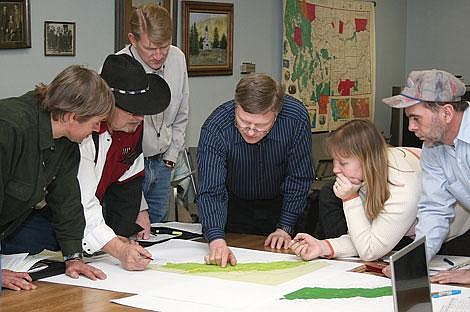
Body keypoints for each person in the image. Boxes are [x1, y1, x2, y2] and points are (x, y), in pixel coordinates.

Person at [1, 65, 114, 291]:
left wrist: (73, 256)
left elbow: (67, 200)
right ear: (73, 117)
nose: (97, 129)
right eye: (96, 122)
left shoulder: (65, 140)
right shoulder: (10, 128)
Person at [197, 73, 314, 267]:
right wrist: (216, 238)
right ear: (236, 106)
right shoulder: (216, 126)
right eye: (243, 122)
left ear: (276, 114)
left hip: (281, 205)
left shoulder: (295, 117)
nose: (250, 131)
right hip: (234, 209)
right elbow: (211, 189)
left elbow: (299, 177)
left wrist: (285, 227)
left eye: (260, 126)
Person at [79, 54, 171, 270]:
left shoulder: (133, 129)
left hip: (94, 222)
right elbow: (79, 201)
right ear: (107, 105)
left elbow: (128, 185)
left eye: (143, 111)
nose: (140, 119)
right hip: (55, 219)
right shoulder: (83, 133)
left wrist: (120, 239)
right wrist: (116, 248)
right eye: (132, 110)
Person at [382, 69, 470, 284]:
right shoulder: (432, 149)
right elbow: (434, 209)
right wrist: (413, 260)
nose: (411, 127)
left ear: (446, 113)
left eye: (416, 118)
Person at [289, 119, 422, 261]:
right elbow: (363, 239)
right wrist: (322, 246)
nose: (335, 169)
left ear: (367, 159)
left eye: (343, 163)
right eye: (334, 160)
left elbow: (370, 251)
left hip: (443, 243)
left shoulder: (402, 187)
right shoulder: (373, 169)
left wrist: (350, 198)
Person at [116, 4, 189, 223]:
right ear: (133, 39)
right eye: (150, 48)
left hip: (163, 163)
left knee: (158, 235)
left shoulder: (177, 58)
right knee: (129, 232)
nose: (158, 55)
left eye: (164, 46)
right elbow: (113, 139)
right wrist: (138, 205)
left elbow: (182, 113)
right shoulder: (117, 67)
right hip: (128, 169)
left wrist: (170, 158)